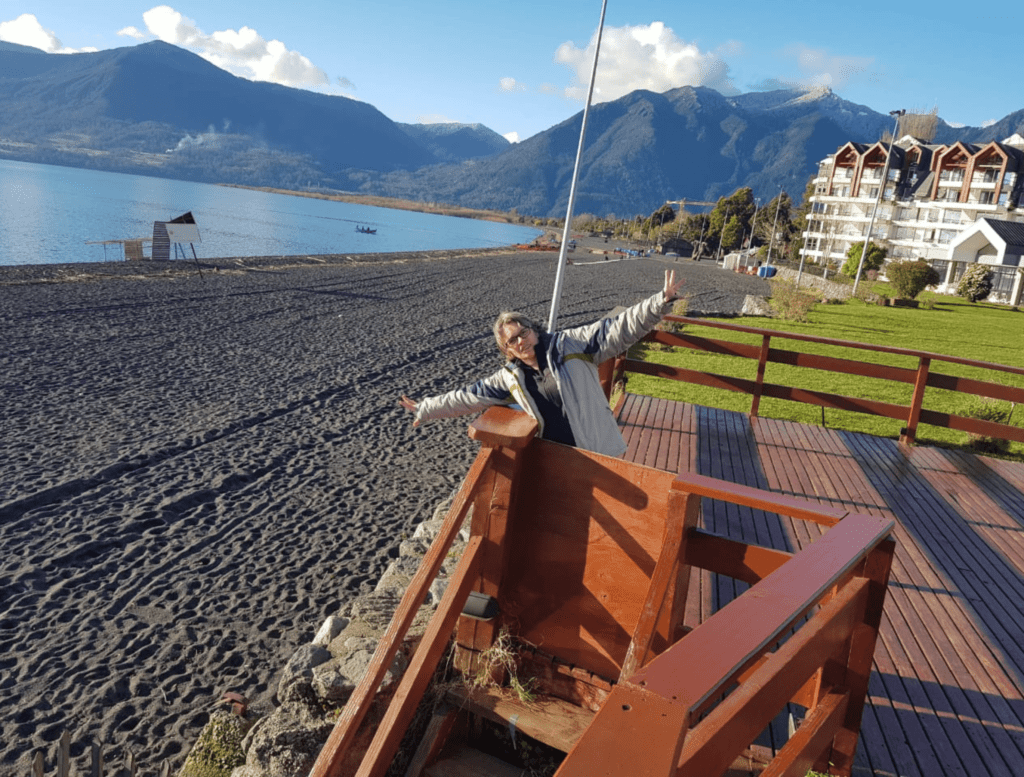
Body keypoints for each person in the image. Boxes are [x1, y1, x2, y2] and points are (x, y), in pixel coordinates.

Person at [399, 269, 685, 457]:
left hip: (600, 451)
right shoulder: (511, 378)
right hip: (557, 457)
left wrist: (660, 302)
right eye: (512, 341)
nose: (521, 341)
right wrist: (426, 408)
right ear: (507, 349)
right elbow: (468, 396)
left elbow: (619, 327)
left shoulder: (569, 344)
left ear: (533, 330)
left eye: (523, 333)